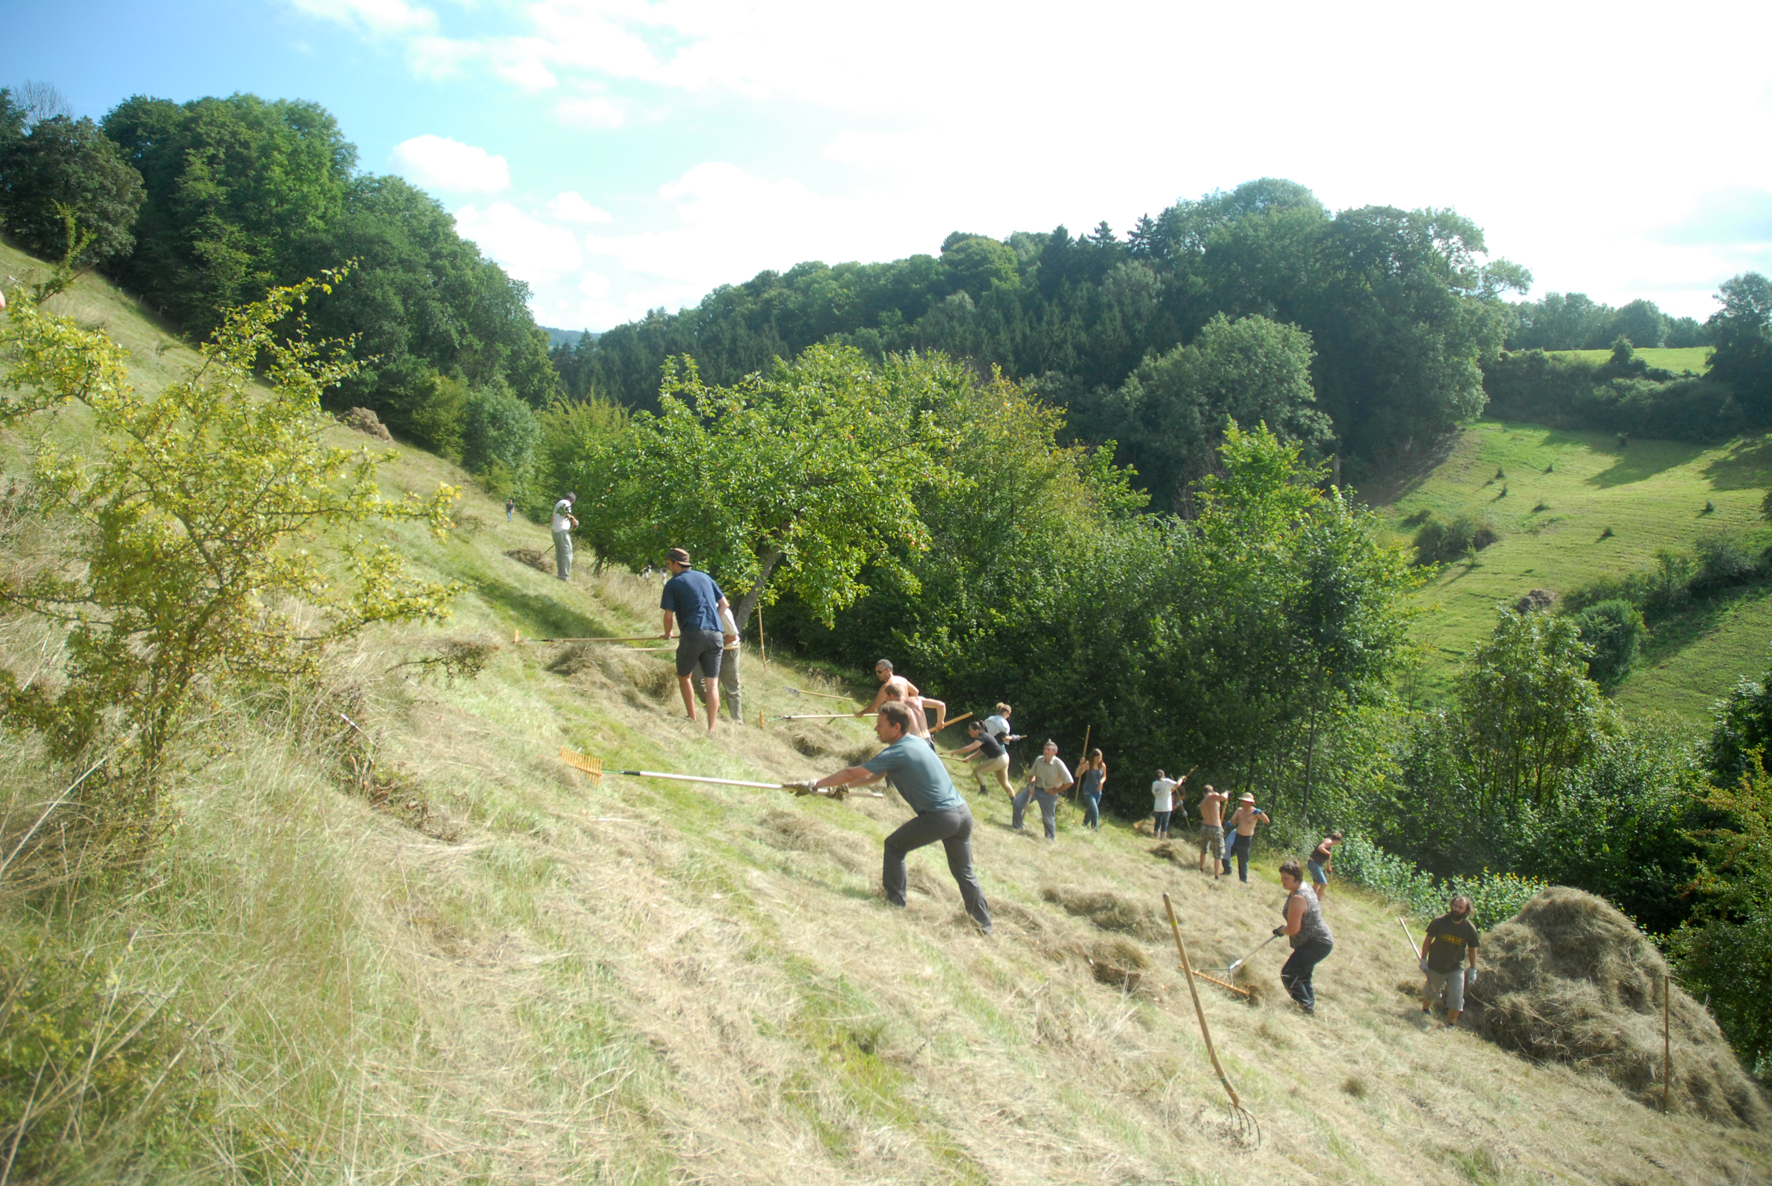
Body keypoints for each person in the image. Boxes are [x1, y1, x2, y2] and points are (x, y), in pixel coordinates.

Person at [794, 700, 991, 933]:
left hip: (940, 817)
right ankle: (983, 925)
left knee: (894, 846)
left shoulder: (897, 751)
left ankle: (894, 903)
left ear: (896, 727)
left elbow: (851, 772)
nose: (876, 729)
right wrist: (846, 789)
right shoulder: (916, 743)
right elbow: (874, 777)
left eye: (880, 725)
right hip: (962, 814)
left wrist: (814, 784)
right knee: (964, 872)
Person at [659, 547, 729, 733]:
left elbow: (668, 616)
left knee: (684, 676)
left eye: (669, 564)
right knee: (712, 683)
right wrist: (715, 619)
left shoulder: (673, 584)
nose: (669, 567)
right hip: (716, 634)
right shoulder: (705, 577)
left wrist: (668, 633)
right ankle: (711, 728)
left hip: (693, 633)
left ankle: (692, 717)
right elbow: (724, 604)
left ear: (676, 564)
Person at [1273, 859, 1334, 1015]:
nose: (1283, 881)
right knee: (1303, 976)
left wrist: (1281, 930)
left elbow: (1293, 929)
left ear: (1296, 878)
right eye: (1282, 877)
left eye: (1286, 878)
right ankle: (1308, 1008)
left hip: (1317, 942)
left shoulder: (1299, 897)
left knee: (1289, 973)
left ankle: (1305, 1007)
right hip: (1315, 941)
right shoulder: (1303, 887)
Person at [1419, 895, 1481, 1027]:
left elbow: (1472, 949)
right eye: (1455, 906)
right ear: (1451, 906)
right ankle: (1425, 1010)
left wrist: (1473, 969)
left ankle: (1450, 1024)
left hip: (1455, 968)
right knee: (1430, 992)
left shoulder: (1469, 929)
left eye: (1460, 907)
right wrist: (1423, 959)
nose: (1457, 910)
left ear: (1466, 910)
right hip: (1436, 965)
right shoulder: (1439, 922)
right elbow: (1428, 940)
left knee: (1457, 997)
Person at [948, 720, 1011, 799]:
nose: (969, 732)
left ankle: (984, 792)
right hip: (1005, 758)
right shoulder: (985, 736)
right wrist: (969, 758)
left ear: (977, 730)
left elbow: (969, 748)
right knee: (1004, 782)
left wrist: (955, 751)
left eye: (970, 730)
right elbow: (980, 752)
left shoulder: (982, 737)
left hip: (999, 758)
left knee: (978, 771)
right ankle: (1014, 800)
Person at [1028, 739, 1074, 841]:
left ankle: (1050, 840)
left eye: (1049, 750)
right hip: (1036, 789)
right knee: (1018, 803)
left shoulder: (1058, 764)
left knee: (1048, 818)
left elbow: (1070, 781)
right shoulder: (1039, 760)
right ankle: (1017, 825)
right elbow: (1031, 774)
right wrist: (1031, 786)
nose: (1046, 751)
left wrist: (1056, 791)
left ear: (1055, 752)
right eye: (1045, 749)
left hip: (1049, 794)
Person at [1224, 794, 1271, 883]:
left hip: (1246, 839)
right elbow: (1233, 820)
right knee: (1226, 853)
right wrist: (1229, 823)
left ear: (1250, 803)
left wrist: (1260, 813)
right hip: (1236, 836)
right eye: (1243, 801)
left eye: (1245, 801)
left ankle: (1243, 880)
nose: (1243, 803)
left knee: (1243, 860)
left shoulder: (1255, 812)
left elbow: (1267, 821)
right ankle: (1227, 870)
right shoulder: (1239, 810)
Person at [717, 598, 744, 725]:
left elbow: (732, 636)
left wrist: (715, 644)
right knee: (711, 681)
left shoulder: (723, 614)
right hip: (714, 648)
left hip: (729, 649)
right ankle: (713, 710)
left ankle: (736, 720)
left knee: (731, 685)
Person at [1197, 785, 1229, 878]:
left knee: (1204, 849)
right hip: (1215, 827)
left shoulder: (1202, 803)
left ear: (1204, 792)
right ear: (1212, 791)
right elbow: (1223, 797)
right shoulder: (1212, 796)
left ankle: (1201, 869)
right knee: (1218, 853)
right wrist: (1226, 793)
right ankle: (1216, 875)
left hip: (1205, 826)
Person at [1308, 831, 1344, 903]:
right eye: (1339, 842)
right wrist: (1328, 852)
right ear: (1337, 840)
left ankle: (1309, 897)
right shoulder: (1329, 842)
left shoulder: (1329, 844)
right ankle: (1316, 900)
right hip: (1314, 863)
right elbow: (1320, 848)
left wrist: (1329, 867)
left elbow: (1328, 857)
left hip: (1315, 864)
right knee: (1324, 883)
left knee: (1317, 882)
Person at [1076, 749, 1106, 831]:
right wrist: (1080, 765)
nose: (1099, 760)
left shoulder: (1102, 766)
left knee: (1090, 810)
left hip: (1098, 792)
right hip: (1088, 791)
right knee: (1095, 811)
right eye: (1097, 758)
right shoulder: (1088, 764)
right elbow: (1078, 774)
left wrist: (1101, 782)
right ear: (1093, 757)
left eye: (1100, 758)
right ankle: (1095, 829)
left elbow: (1104, 776)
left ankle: (1084, 825)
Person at [550, 492, 578, 581]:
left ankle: (560, 574)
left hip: (555, 530)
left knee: (559, 553)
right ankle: (564, 576)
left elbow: (552, 518)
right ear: (572, 501)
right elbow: (567, 513)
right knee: (567, 553)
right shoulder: (566, 503)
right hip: (561, 531)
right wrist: (574, 521)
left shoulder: (558, 503)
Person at [1150, 769, 1178, 839]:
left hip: (1158, 806)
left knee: (1157, 822)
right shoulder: (1167, 781)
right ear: (1163, 775)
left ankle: (1155, 835)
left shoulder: (1154, 783)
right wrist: (1181, 779)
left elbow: (1155, 795)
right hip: (1166, 807)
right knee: (1165, 823)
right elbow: (1177, 784)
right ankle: (1163, 837)